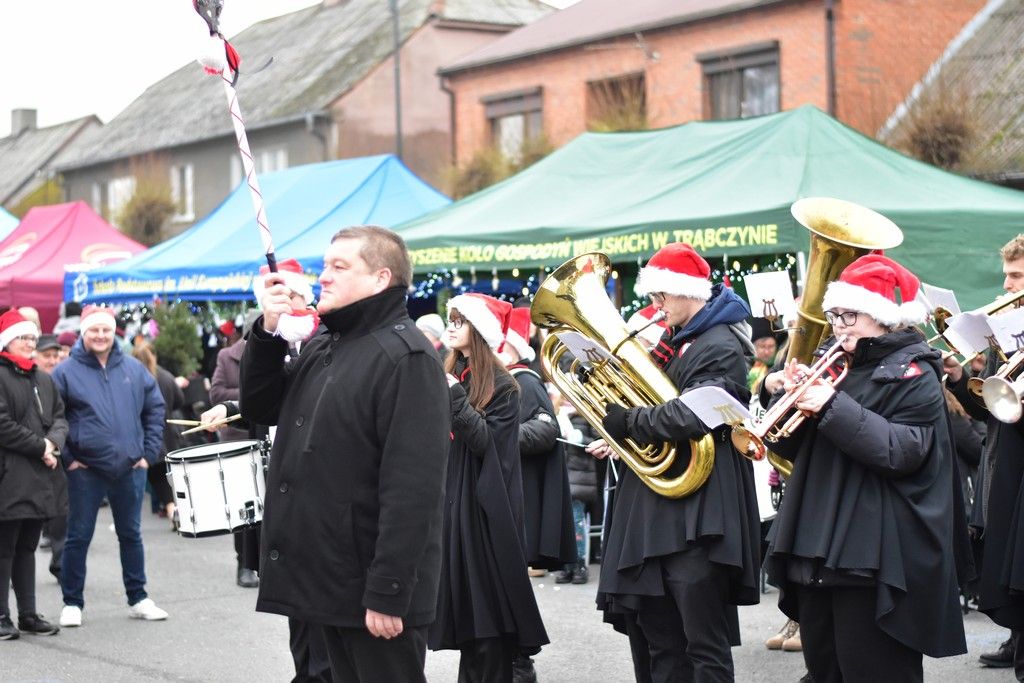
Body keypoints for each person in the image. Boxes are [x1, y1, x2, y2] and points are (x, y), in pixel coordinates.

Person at [240, 226, 450, 683]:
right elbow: (261, 407)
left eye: (340, 266)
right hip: (327, 580)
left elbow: (413, 488)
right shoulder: (325, 344)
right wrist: (267, 332)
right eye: (324, 265)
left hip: (370, 588)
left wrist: (389, 589)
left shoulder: (408, 357)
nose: (324, 276)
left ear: (380, 278)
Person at [762, 254, 968, 682]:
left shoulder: (915, 372)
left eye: (850, 315)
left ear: (884, 316)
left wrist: (830, 405)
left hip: (872, 556)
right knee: (825, 669)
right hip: (816, 546)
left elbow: (902, 451)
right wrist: (786, 400)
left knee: (874, 670)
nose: (839, 326)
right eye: (835, 315)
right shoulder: (834, 365)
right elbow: (791, 447)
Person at [589, 243, 761, 682]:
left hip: (699, 514)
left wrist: (630, 422)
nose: (655, 304)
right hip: (662, 510)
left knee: (702, 640)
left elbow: (696, 413)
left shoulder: (721, 343)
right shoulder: (678, 341)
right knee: (661, 638)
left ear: (689, 291)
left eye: (660, 295)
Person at [431, 293, 549, 682]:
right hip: (452, 502)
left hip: (483, 511)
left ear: (479, 329)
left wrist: (454, 397)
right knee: (468, 619)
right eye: (449, 319)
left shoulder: (504, 385)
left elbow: (488, 445)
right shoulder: (453, 371)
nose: (450, 327)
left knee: (487, 620)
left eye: (459, 320)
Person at [51, 305, 168, 628]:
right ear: (83, 333)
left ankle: (138, 597)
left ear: (113, 332)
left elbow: (155, 408)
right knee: (78, 536)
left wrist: (148, 452)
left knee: (131, 535)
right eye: (94, 330)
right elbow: (54, 418)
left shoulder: (133, 368)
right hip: (85, 470)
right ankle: (72, 602)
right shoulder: (65, 373)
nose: (100, 335)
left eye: (105, 329)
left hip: (130, 467)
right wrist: (69, 458)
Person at [945, 233, 1024, 676]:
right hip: (1001, 457)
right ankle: (1016, 638)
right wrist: (960, 379)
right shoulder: (1006, 329)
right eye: (1007, 275)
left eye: (1017, 276)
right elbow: (989, 404)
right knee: (1006, 559)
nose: (1008, 285)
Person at [0, 310, 67, 639]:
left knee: (27, 547)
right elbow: (2, 425)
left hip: (41, 475)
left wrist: (52, 444)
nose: (29, 343)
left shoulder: (43, 378)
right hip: (8, 476)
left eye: (31, 338)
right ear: (6, 342)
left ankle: (28, 614)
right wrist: (41, 447)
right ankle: (1, 616)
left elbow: (60, 417)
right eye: (21, 338)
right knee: (4, 549)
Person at [131, 342, 185, 526]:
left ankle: (171, 509)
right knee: (166, 476)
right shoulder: (165, 376)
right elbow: (180, 400)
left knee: (155, 477)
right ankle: (174, 510)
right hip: (167, 433)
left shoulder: (131, 378)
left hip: (142, 436)